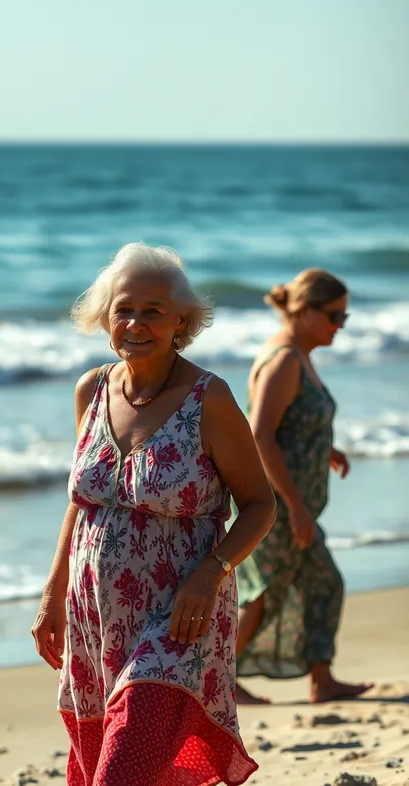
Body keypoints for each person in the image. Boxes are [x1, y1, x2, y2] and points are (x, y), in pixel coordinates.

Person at [32, 243, 276, 786]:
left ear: (180, 321)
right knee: (118, 762)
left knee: (123, 772)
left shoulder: (209, 398)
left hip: (180, 616)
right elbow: (83, 502)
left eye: (153, 310)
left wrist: (213, 572)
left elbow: (261, 504)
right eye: (124, 308)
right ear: (104, 316)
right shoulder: (91, 390)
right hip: (95, 613)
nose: (136, 322)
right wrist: (53, 592)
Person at [234, 269, 374, 706]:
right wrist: (294, 505)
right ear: (304, 310)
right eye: (334, 316)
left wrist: (326, 448)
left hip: (295, 507)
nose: (339, 326)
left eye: (343, 317)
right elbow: (260, 436)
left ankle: (321, 680)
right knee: (261, 595)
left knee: (321, 583)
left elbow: (293, 424)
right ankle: (212, 684)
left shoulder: (299, 354)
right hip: (274, 509)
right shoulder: (284, 361)